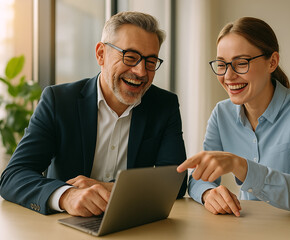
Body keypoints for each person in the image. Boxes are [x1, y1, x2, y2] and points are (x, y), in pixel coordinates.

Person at [0, 11, 187, 216]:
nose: (141, 72)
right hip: (63, 226)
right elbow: (13, 176)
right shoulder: (58, 101)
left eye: (150, 62)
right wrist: (66, 196)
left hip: (131, 223)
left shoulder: (164, 105)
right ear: (101, 54)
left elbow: (175, 183)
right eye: (130, 57)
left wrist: (109, 189)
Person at [177, 17, 290, 216]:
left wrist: (239, 165)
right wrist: (208, 193)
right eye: (222, 65)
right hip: (251, 224)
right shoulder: (221, 113)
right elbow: (199, 178)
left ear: (272, 62)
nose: (228, 76)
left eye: (241, 63)